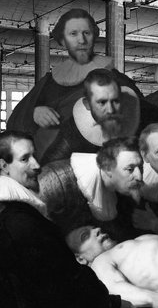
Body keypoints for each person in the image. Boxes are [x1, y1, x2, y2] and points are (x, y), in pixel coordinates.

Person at [0, 130, 123, 308]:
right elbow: (63, 282)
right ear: (4, 166)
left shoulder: (17, 213)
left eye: (34, 156)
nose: (36, 165)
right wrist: (111, 302)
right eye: (25, 159)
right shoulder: (19, 221)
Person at [6, 8, 141, 153]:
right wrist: (34, 113)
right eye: (73, 34)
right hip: (46, 158)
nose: (81, 40)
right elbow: (14, 121)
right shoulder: (49, 81)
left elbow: (141, 121)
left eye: (86, 33)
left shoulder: (116, 79)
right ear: (63, 40)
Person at [37, 137, 143, 239]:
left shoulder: (117, 194)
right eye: (130, 169)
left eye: (140, 167)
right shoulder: (55, 180)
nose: (139, 177)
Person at [40, 68, 141, 164]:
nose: (110, 110)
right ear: (87, 104)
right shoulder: (72, 132)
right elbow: (48, 168)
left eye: (115, 101)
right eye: (102, 102)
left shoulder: (140, 118)